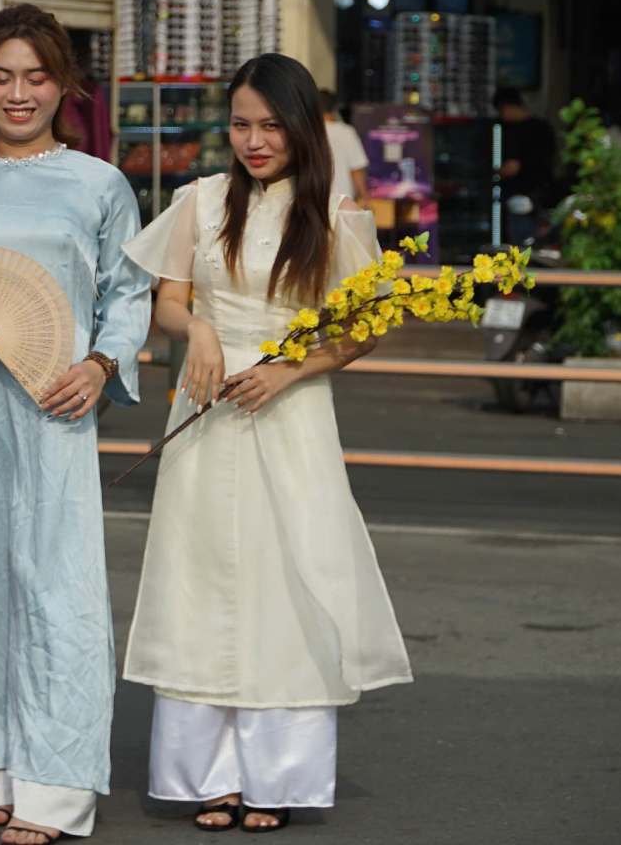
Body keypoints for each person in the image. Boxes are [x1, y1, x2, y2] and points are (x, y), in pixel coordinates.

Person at [120, 53, 412, 834]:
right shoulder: (199, 200)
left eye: (271, 125)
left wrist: (291, 372)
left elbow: (365, 329)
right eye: (241, 123)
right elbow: (168, 301)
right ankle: (205, 776)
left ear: (302, 127)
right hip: (205, 404)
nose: (254, 140)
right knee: (200, 580)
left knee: (289, 581)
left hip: (291, 411)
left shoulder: (337, 215)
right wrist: (200, 331)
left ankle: (276, 778)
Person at [0, 4, 151, 845]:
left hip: (56, 404)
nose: (18, 93)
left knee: (59, 590)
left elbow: (129, 293)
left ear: (64, 85)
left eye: (36, 76)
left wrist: (100, 364)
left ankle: (52, 789)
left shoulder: (98, 185)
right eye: (2, 76)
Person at [493, 87, 557, 246]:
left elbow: (543, 161)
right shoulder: (506, 129)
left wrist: (517, 166)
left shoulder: (537, 130)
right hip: (522, 196)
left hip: (533, 195)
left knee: (527, 244)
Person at [318, 88, 368, 205]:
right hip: (342, 202)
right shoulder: (346, 132)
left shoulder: (307, 132)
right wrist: (365, 198)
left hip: (313, 200)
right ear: (335, 108)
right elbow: (356, 169)